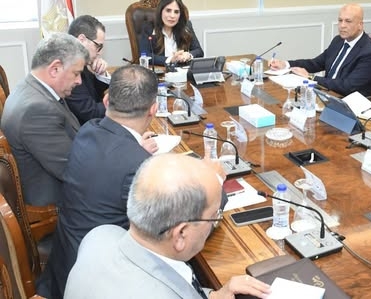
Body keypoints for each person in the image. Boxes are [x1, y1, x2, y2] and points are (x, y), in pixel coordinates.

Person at [64, 154, 271, 299]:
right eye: (214, 216)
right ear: (181, 234)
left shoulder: (100, 235)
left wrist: (213, 296)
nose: (214, 222)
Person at [38, 65, 161, 298]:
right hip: (96, 283)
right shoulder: (139, 165)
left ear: (106, 101)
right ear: (153, 110)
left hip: (64, 266)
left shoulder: (88, 130)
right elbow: (173, 226)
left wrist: (135, 149)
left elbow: (114, 161)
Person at [0, 33, 88, 206]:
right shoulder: (36, 110)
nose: (79, 81)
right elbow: (77, 172)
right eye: (76, 73)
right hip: (59, 204)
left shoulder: (33, 88)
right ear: (55, 69)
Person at [269, 3, 371, 96]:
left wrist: (311, 77)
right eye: (340, 20)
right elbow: (316, 63)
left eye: (348, 21)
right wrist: (286, 64)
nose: (342, 25)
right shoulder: (338, 41)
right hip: (326, 92)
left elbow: (348, 86)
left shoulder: (370, 53)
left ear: (360, 25)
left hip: (346, 100)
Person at [66, 15, 109, 124]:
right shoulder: (68, 68)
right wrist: (122, 105)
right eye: (98, 46)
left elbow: (94, 94)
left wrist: (101, 74)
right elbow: (91, 112)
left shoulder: (79, 60)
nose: (100, 52)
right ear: (82, 40)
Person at [138, 0, 204, 66]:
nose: (172, 16)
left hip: (183, 70)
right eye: (168, 10)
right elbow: (145, 55)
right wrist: (170, 59)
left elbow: (199, 51)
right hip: (161, 71)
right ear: (160, 11)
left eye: (176, 12)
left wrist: (188, 55)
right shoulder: (148, 28)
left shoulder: (186, 26)